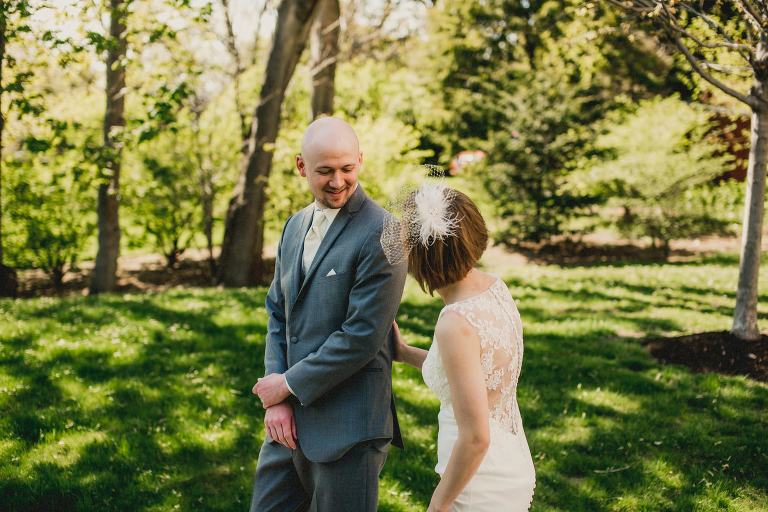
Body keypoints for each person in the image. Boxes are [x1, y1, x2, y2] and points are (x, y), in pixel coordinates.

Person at [249, 117, 408, 512]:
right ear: (302, 167)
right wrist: (278, 398)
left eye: (347, 168)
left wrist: (286, 385)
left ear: (360, 161)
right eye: (325, 171)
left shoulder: (387, 232)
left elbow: (362, 337)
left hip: (348, 427)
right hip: (286, 423)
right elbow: (278, 313)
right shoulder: (294, 226)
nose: (338, 181)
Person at [386, 184, 536, 512]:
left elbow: (475, 437)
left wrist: (439, 504)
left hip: (475, 484)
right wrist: (406, 352)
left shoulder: (455, 322)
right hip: (509, 461)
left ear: (421, 258)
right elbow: (472, 374)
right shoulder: (495, 288)